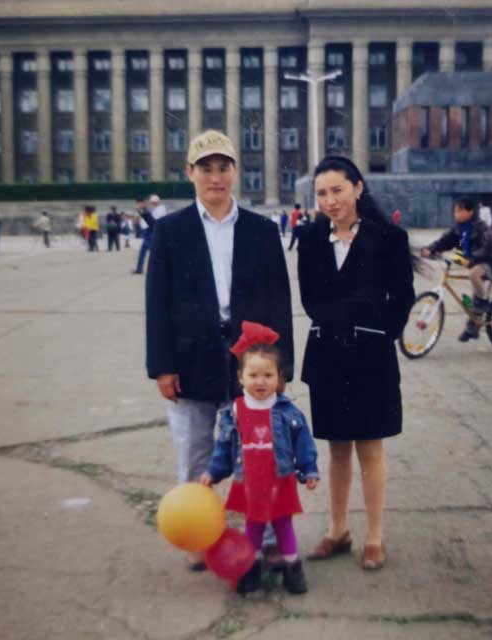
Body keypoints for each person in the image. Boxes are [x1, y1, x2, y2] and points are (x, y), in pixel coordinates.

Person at [146, 129, 293, 570]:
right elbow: (157, 303)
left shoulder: (262, 230)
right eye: (205, 169)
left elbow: (279, 300)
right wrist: (162, 367)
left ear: (235, 172)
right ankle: (200, 536)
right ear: (190, 173)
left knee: (257, 454)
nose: (215, 178)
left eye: (223, 168)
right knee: (194, 454)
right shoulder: (171, 231)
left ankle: (264, 536)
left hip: (250, 363)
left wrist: (279, 365)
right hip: (189, 361)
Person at [297, 155, 415, 571]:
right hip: (327, 356)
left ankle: (375, 536)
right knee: (337, 451)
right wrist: (353, 313)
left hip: (371, 358)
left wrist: (378, 331)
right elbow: (310, 299)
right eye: (322, 193)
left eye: (337, 190)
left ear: (358, 188)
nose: (330, 200)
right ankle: (338, 529)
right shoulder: (309, 239)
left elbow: (402, 300)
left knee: (370, 449)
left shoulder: (389, 239)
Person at [200, 321, 318, 594]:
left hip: (280, 481)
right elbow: (223, 448)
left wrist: (309, 469)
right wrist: (213, 472)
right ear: (240, 377)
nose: (261, 381)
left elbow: (303, 442)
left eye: (268, 375)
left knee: (283, 526)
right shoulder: (234, 412)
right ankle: (249, 568)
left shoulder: (288, 411)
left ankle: (292, 569)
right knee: (252, 528)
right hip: (250, 483)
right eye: (253, 375)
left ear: (279, 378)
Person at [421, 197, 492, 342]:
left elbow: (489, 247)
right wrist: (430, 249)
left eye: (460, 211)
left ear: (470, 212)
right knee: (474, 293)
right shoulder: (458, 227)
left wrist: (472, 259)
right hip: (476, 260)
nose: (456, 214)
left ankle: (483, 302)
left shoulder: (480, 226)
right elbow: (445, 241)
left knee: (474, 275)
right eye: (455, 211)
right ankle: (473, 328)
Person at [133, 197, 156, 274]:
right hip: (146, 232)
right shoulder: (143, 210)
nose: (137, 205)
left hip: (149, 233)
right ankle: (139, 269)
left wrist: (138, 211)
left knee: (153, 252)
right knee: (142, 252)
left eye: (139, 203)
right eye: (137, 204)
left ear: (142, 203)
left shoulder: (145, 210)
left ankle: (159, 269)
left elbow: (149, 220)